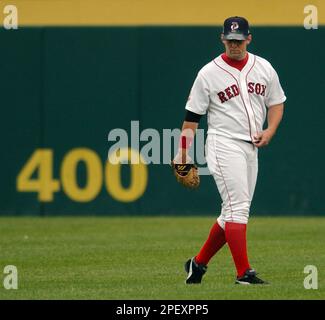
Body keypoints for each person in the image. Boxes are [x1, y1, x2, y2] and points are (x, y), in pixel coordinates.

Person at [173, 16, 286, 285]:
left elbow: (277, 102)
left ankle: (197, 265)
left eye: (239, 40)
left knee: (231, 213)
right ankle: (244, 273)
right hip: (223, 144)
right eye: (229, 40)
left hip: (251, 148)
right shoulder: (208, 73)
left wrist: (269, 130)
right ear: (222, 38)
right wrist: (183, 153)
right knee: (238, 209)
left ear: (249, 38)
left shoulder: (264, 67)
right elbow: (191, 119)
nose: (234, 44)